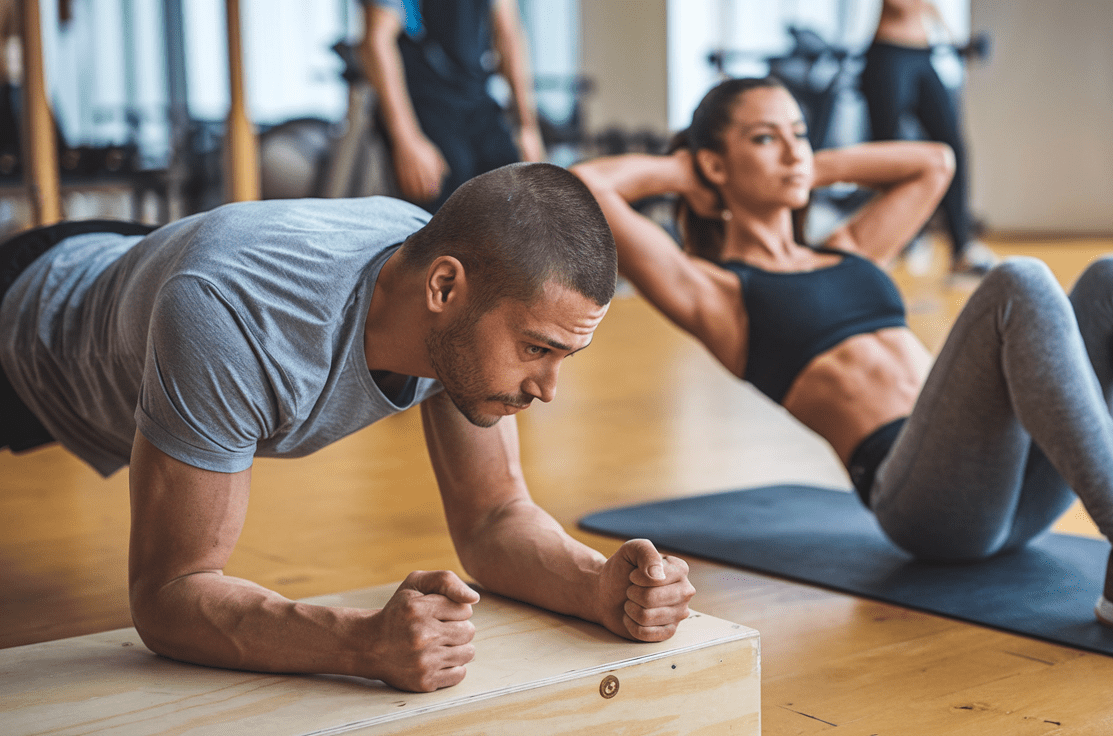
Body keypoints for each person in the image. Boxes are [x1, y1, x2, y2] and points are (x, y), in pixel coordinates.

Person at [571, 77, 1113, 653]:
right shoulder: (718, 291)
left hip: (1022, 467)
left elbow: (934, 162)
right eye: (766, 139)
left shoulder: (850, 249)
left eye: (800, 133)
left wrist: (796, 164)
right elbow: (588, 188)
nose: (795, 150)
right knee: (1018, 281)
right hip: (924, 502)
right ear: (711, 162)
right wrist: (690, 172)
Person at [0, 163, 696, 692]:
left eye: (565, 356)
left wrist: (597, 586)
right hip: (31, 328)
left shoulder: (446, 290)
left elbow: (494, 518)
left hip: (136, 270)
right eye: (537, 349)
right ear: (444, 288)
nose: (548, 389)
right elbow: (170, 594)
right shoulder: (228, 317)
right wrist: (361, 644)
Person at [357, 0, 545, 210]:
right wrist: (408, 141)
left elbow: (509, 36)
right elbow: (377, 41)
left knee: (517, 186)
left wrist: (528, 128)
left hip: (475, 99)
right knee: (445, 200)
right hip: (423, 103)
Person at [858, 0, 995, 276]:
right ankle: (889, 243)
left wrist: (955, 39)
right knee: (889, 154)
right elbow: (903, 7)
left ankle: (962, 248)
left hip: (922, 56)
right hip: (888, 54)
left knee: (952, 147)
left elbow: (928, 7)